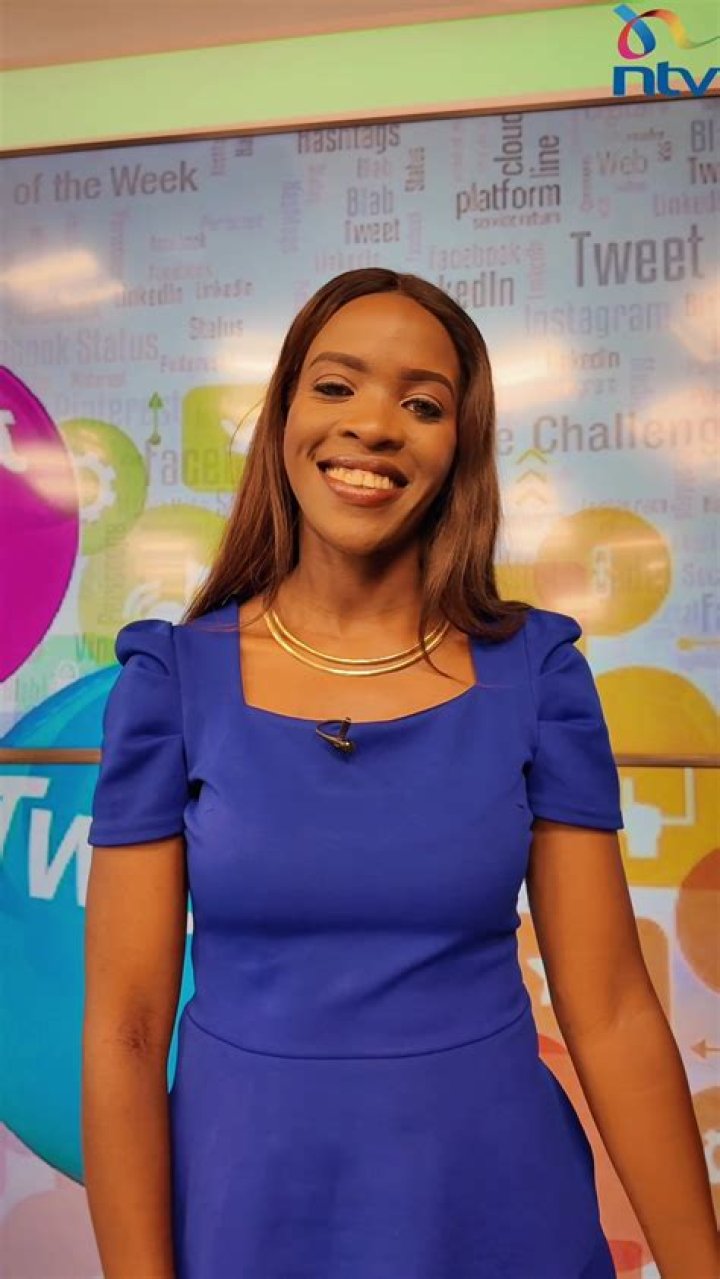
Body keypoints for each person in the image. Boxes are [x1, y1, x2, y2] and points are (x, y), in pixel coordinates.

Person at [82, 268, 718, 1279]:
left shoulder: (539, 675)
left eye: (422, 404)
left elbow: (610, 1008)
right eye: (336, 386)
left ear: (459, 445)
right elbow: (125, 1029)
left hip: (502, 1214)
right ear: (284, 414)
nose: (374, 425)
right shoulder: (172, 683)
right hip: (246, 1219)